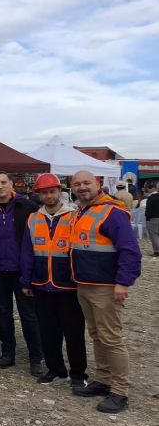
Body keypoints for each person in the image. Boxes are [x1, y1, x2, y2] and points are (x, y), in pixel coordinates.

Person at [68, 171, 141, 413]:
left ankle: (120, 391)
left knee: (111, 338)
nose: (82, 187)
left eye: (86, 183)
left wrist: (123, 282)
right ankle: (103, 379)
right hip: (84, 283)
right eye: (77, 184)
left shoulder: (112, 211)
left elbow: (130, 250)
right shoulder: (81, 210)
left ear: (97, 184)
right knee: (97, 335)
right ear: (72, 187)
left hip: (105, 286)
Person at [19, 174, 87, 388]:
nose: (49, 196)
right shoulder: (33, 219)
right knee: (48, 331)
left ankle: (78, 374)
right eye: (44, 193)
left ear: (60, 192)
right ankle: (56, 370)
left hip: (68, 284)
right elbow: (27, 252)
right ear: (39, 195)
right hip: (41, 284)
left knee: (73, 332)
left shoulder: (75, 216)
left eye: (52, 191)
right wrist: (26, 281)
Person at [0, 172, 43, 375]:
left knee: (28, 315)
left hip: (22, 271)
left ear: (11, 184)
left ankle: (36, 357)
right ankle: (7, 353)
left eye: (4, 182)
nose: (0, 186)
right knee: (4, 314)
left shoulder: (28, 207)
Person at [146, 184, 159, 256]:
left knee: (154, 235)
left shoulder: (151, 198)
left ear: (150, 189)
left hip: (154, 218)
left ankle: (157, 251)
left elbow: (148, 209)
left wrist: (147, 218)